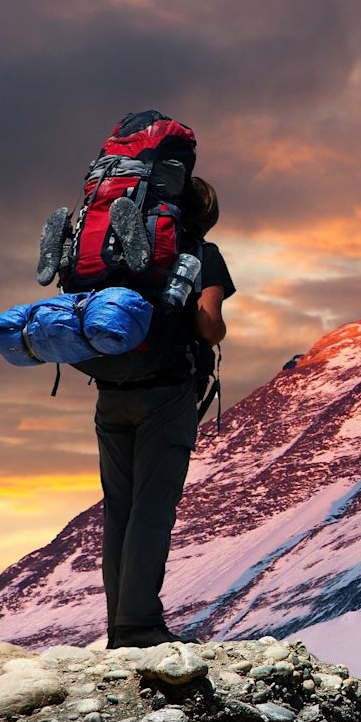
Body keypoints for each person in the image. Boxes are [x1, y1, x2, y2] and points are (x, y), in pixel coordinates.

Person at [94, 175, 234, 649]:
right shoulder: (202, 253)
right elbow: (208, 324)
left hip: (112, 388)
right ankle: (138, 626)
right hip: (167, 393)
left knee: (120, 508)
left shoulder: (122, 252)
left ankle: (120, 624)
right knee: (152, 507)